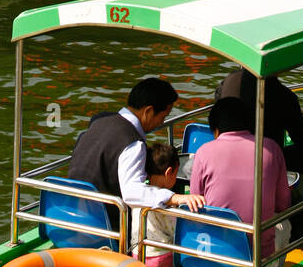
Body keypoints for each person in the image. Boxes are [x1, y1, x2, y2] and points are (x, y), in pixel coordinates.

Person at [68, 78, 204, 239]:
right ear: (148, 111)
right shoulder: (133, 142)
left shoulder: (99, 120)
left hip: (70, 214)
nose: (161, 123)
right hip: (103, 227)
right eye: (163, 116)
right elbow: (132, 192)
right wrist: (174, 197)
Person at [190, 97, 291, 264]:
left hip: (213, 256)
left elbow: (195, 201)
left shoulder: (203, 152)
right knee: (284, 222)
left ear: (215, 130)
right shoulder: (271, 148)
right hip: (260, 263)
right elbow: (282, 205)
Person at [214, 68, 303, 174]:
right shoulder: (282, 94)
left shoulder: (229, 79)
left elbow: (218, 100)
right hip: (263, 160)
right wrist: (302, 119)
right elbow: (302, 138)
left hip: (226, 151)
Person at [130, 142, 181, 267]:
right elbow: (175, 231)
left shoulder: (138, 194)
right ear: (169, 172)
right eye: (176, 173)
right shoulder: (166, 201)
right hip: (161, 258)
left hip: (137, 254)